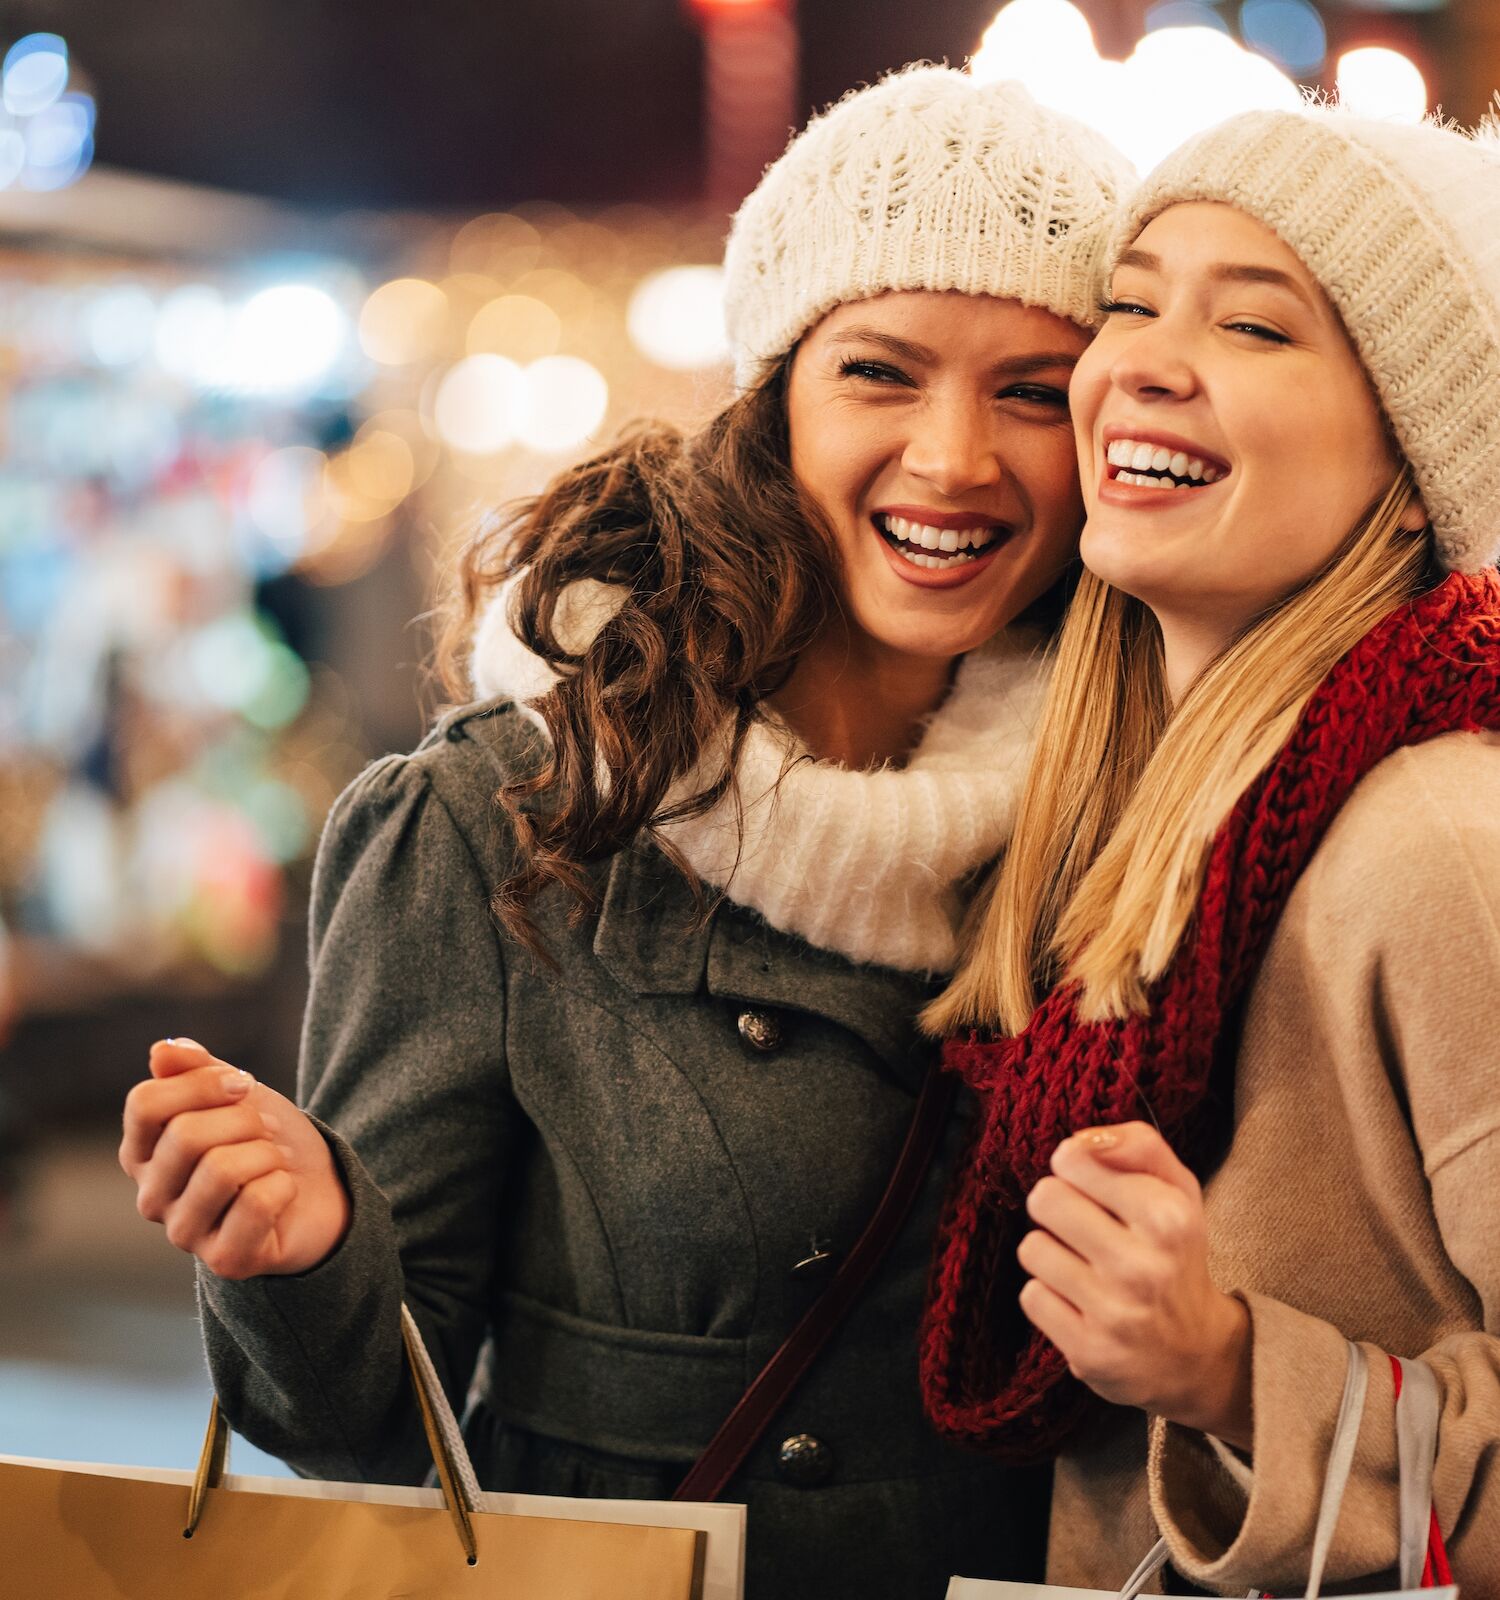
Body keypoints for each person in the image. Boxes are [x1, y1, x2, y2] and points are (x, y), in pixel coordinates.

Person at [118, 69, 1131, 1598]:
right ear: (773, 397)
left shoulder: (1132, 804)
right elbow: (358, 1439)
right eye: (881, 371)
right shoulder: (503, 817)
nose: (956, 458)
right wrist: (308, 1246)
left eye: (1034, 391)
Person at [919, 104, 1500, 1593]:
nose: (1145, 362)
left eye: (1256, 325)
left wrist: (1235, 1369)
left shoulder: (1443, 839)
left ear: (1416, 455)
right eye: (1130, 301)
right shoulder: (1129, 829)